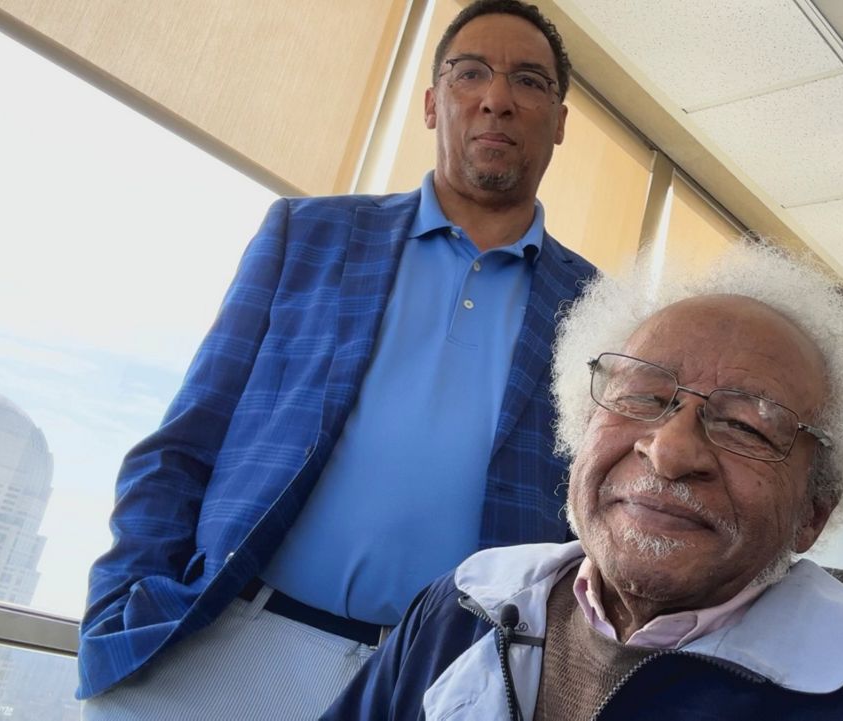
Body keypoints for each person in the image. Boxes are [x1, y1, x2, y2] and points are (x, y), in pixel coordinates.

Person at [77, 1, 595, 718]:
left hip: (440, 683)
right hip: (229, 644)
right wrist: (118, 608)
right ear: (431, 103)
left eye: (529, 82)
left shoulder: (596, 308)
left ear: (560, 120)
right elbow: (188, 437)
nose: (496, 99)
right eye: (470, 72)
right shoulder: (307, 233)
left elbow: (589, 531)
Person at [322, 244, 843, 720]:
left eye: (746, 424)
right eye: (641, 393)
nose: (670, 449)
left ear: (814, 512)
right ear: (582, 430)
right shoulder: (459, 606)